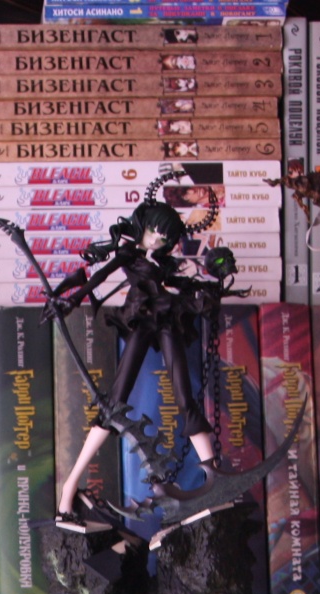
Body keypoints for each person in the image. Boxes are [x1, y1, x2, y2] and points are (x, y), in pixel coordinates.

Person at [43, 173, 244, 529]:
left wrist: (206, 289)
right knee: (113, 402)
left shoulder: (165, 264)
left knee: (185, 397)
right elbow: (96, 278)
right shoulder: (128, 255)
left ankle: (216, 478)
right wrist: (70, 301)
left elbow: (182, 287)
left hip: (166, 321)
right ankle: (69, 489)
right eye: (153, 232)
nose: (157, 241)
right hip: (139, 321)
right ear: (142, 227)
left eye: (165, 238)